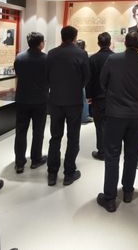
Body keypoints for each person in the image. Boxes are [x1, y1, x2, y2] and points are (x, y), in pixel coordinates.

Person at [96, 31, 138, 213]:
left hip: (114, 114)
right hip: (135, 115)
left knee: (112, 155)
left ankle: (110, 198)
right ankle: (128, 192)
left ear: (125, 42)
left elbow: (103, 82)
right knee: (131, 154)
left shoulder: (113, 60)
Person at [46, 26, 90, 187]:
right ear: (75, 37)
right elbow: (87, 77)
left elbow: (46, 76)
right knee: (73, 137)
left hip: (55, 100)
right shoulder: (81, 54)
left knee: (55, 137)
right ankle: (69, 173)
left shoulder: (51, 53)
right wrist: (77, 87)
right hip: (74, 101)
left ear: (62, 36)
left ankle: (52, 173)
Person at [13, 32, 49, 174]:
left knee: (20, 131)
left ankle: (19, 163)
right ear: (40, 43)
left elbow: (18, 74)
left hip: (22, 99)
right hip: (40, 100)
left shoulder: (20, 57)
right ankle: (36, 159)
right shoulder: (46, 59)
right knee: (38, 131)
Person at [86, 32, 114, 161]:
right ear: (110, 43)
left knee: (99, 125)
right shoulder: (115, 58)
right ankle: (112, 149)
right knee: (112, 124)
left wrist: (89, 96)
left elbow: (89, 80)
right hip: (112, 97)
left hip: (97, 97)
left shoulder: (93, 59)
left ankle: (101, 151)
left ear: (98, 43)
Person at [76, 39, 92, 124]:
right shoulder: (84, 54)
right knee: (84, 99)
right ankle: (84, 117)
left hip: (74, 81)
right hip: (82, 81)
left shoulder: (73, 54)